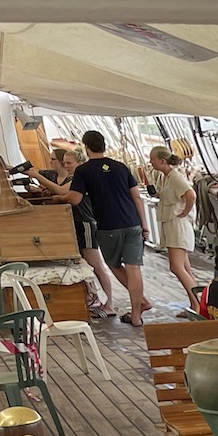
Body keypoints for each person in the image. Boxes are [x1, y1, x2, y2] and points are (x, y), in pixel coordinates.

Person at [53, 130, 150, 325]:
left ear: (86, 146)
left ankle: (142, 302)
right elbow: (136, 198)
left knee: (114, 265)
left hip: (108, 226)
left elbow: (75, 199)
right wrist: (145, 226)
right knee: (134, 268)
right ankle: (138, 314)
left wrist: (58, 198)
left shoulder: (84, 170)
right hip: (132, 223)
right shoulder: (121, 167)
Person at [35, 147, 116, 316]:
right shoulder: (74, 177)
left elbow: (66, 194)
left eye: (69, 163)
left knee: (96, 265)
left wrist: (42, 183)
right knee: (82, 264)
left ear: (80, 163)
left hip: (85, 223)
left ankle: (109, 304)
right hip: (74, 224)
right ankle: (92, 297)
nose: (66, 166)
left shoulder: (82, 178)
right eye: (64, 163)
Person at [147, 146, 199, 307]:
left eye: (153, 159)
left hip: (178, 225)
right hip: (171, 225)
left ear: (162, 161)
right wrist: (158, 194)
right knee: (184, 268)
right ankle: (196, 304)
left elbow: (191, 195)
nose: (150, 162)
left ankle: (197, 305)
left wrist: (185, 212)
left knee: (176, 267)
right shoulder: (166, 177)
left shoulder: (175, 177)